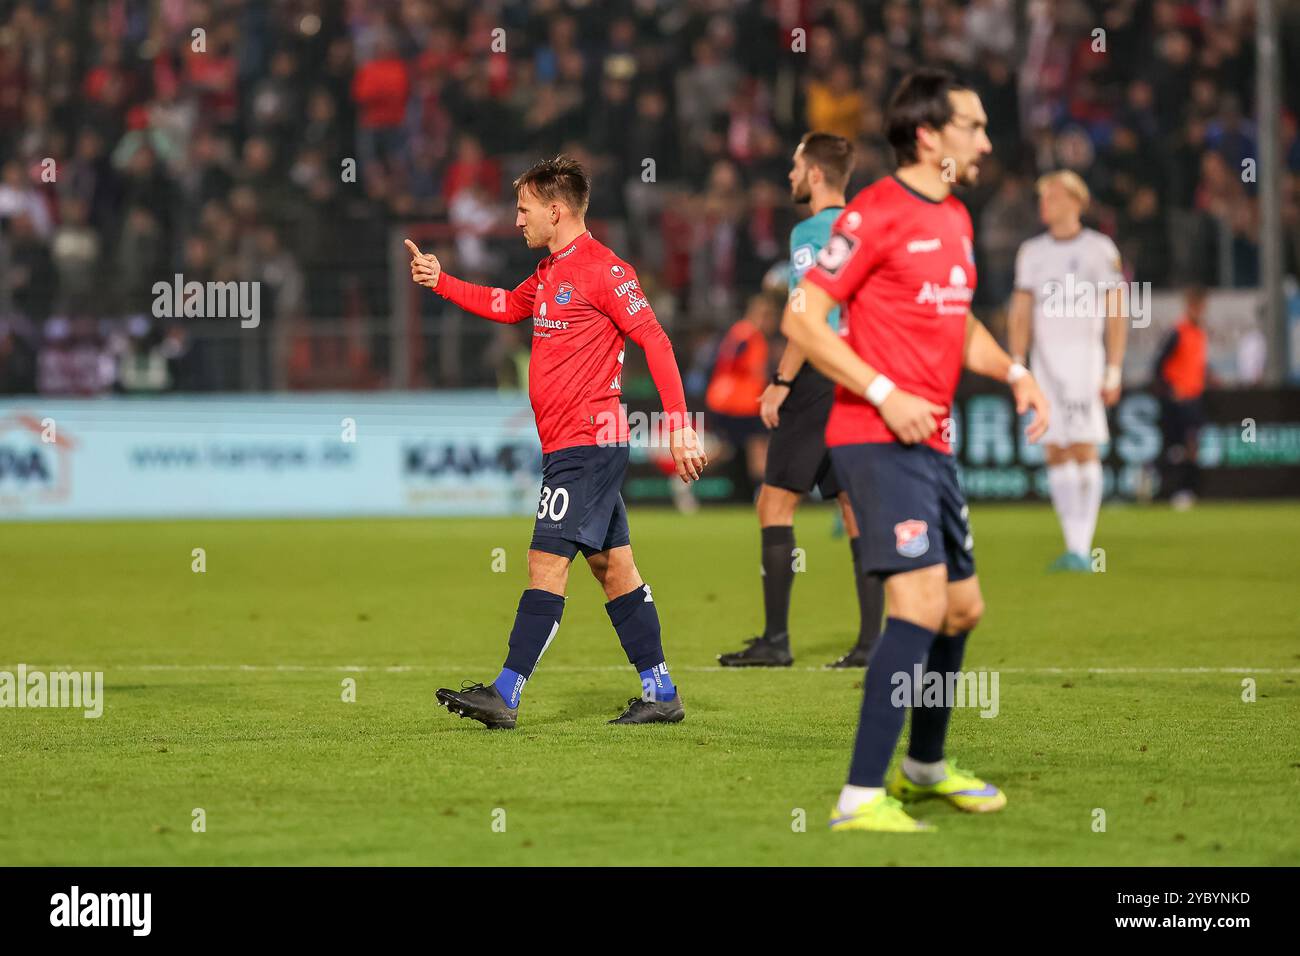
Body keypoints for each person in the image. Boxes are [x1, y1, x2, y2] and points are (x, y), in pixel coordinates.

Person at [782, 69, 1050, 832]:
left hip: (930, 441)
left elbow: (958, 323)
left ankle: (926, 767)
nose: (987, 141)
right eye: (974, 125)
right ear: (930, 135)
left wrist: (1016, 371)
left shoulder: (959, 219)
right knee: (922, 604)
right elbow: (804, 320)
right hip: (875, 436)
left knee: (961, 610)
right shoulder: (874, 215)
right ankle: (860, 796)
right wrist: (882, 390)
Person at [406, 155, 707, 728]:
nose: (515, 221)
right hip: (572, 446)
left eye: (523, 210)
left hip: (588, 445)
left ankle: (506, 692)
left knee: (544, 560)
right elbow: (503, 305)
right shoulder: (547, 274)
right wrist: (440, 281)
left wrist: (679, 423)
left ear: (555, 209)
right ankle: (661, 691)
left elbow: (657, 341)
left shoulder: (605, 269)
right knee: (615, 569)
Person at [717, 132, 885, 670]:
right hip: (861, 375)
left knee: (775, 502)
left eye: (794, 166)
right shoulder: (869, 227)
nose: (789, 175)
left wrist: (782, 380)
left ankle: (776, 641)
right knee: (855, 507)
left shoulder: (810, 233)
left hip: (817, 376)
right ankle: (871, 644)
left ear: (815, 174)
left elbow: (808, 317)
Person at [1007, 170, 1127, 571]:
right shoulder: (1032, 252)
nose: (1045, 204)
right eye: (1042, 198)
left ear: (1076, 202)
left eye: (1053, 197)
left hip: (1084, 360)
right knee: (1055, 446)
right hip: (1045, 362)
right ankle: (1072, 546)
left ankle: (1083, 545)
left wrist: (1113, 368)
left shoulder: (1099, 249)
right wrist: (1018, 363)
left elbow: (1116, 311)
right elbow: (1021, 310)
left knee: (1083, 443)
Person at [705, 294, 776, 499]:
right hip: (740, 403)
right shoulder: (750, 336)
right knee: (758, 446)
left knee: (728, 448)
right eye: (767, 316)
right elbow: (754, 371)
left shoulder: (739, 332)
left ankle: (684, 477)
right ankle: (762, 495)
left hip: (729, 401)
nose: (770, 322)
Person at [1152, 286, 1212, 510]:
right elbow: (1158, 365)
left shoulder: (1200, 333)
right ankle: (1168, 490)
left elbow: (1196, 365)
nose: (1200, 311)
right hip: (1177, 402)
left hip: (1194, 399)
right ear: (1189, 306)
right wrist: (1170, 389)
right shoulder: (1177, 332)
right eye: (1196, 306)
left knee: (1192, 448)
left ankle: (1186, 491)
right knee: (1175, 449)